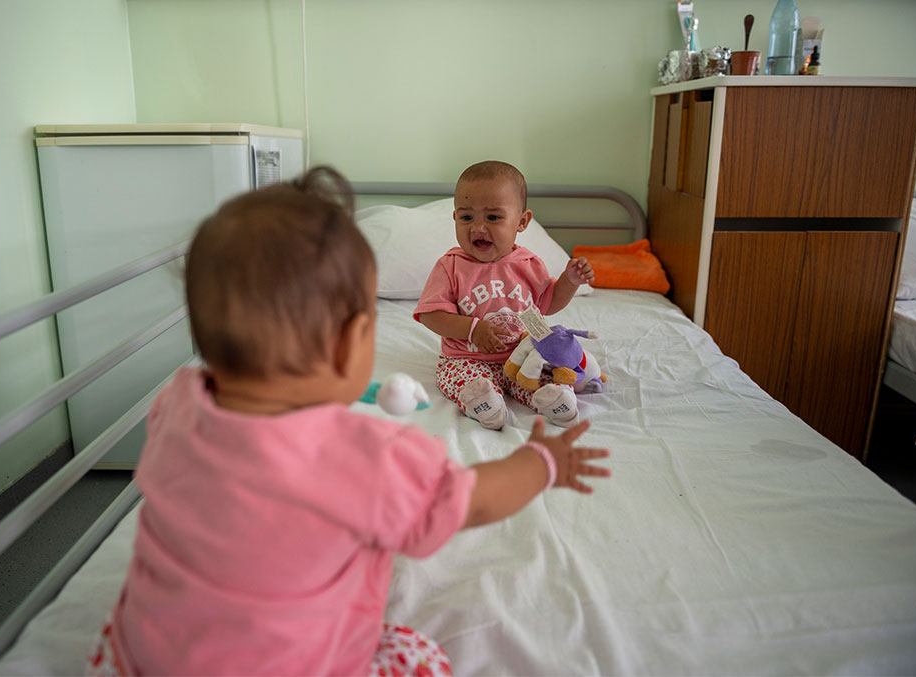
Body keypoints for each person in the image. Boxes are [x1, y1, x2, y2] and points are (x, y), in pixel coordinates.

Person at [86, 166, 611, 677]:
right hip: (291, 663)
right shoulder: (362, 451)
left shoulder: (177, 403)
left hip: (142, 657)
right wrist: (541, 463)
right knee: (415, 656)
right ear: (350, 342)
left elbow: (547, 304)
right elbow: (470, 499)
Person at [414, 160, 596, 430]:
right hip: (467, 358)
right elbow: (431, 314)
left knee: (544, 376)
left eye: (493, 217)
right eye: (466, 217)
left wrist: (569, 281)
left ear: (522, 221)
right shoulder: (450, 266)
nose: (477, 227)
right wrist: (472, 330)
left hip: (521, 356)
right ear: (455, 218)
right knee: (465, 380)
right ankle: (486, 404)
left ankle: (556, 401)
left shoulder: (529, 264)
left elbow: (545, 305)